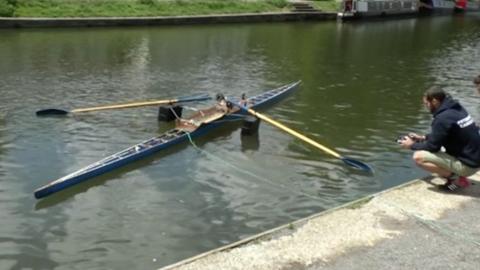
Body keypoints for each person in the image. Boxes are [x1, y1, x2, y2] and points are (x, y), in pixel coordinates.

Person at [399, 86, 480, 191]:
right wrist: (423, 137)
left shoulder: (442, 118)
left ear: (434, 101)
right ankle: (457, 175)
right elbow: (447, 134)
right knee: (436, 149)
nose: (426, 107)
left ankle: (457, 179)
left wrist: (411, 145)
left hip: (468, 166)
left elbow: (433, 147)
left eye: (426, 104)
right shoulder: (457, 108)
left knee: (418, 157)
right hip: (475, 159)